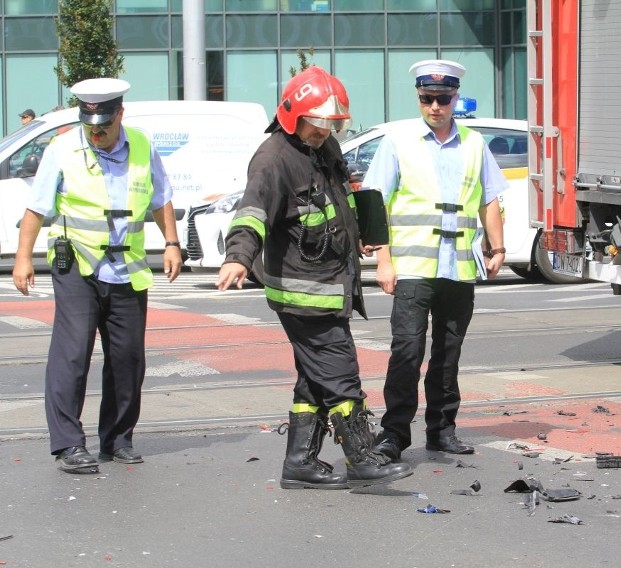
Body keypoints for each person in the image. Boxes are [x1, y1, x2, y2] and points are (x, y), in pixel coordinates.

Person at [216, 66, 412, 490]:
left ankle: (300, 463)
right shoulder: (273, 158)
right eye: (318, 122)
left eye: (330, 124)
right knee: (341, 375)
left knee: (314, 378)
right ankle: (361, 456)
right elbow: (252, 212)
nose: (325, 131)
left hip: (330, 285)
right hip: (303, 292)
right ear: (293, 115)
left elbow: (338, 204)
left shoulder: (324, 149)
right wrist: (238, 257)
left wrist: (361, 237)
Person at [12, 78, 182, 474]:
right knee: (71, 355)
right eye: (90, 126)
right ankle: (68, 444)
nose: (97, 133)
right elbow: (36, 210)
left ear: (120, 114)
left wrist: (172, 243)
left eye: (103, 126)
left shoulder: (141, 145)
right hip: (76, 265)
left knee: (128, 359)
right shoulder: (63, 148)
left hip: (127, 268)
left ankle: (117, 439)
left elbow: (162, 198)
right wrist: (23, 259)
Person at [363, 59, 508, 462]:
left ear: (454, 98)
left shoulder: (475, 144)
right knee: (407, 353)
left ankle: (442, 430)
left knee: (448, 356)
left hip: (458, 269)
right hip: (412, 269)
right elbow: (376, 204)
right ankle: (394, 435)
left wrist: (496, 249)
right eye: (427, 99)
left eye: (443, 99)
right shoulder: (399, 142)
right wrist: (383, 261)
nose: (435, 107)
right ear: (419, 97)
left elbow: (490, 197)